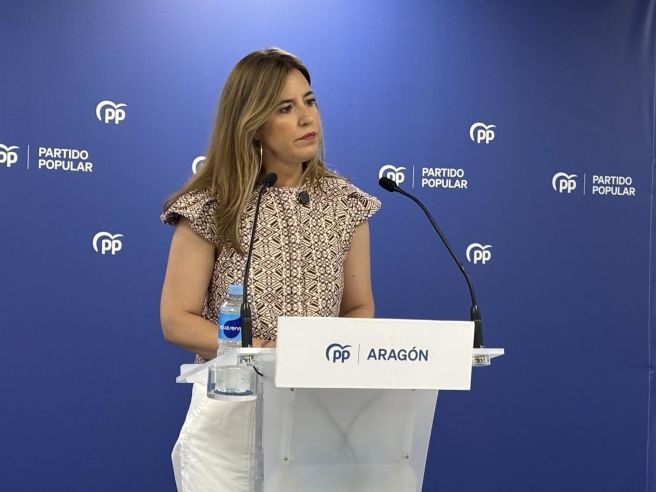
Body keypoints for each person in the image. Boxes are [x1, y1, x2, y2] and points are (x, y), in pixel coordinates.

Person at [159, 48, 381, 490]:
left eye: (309, 101)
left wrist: (321, 354)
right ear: (253, 123)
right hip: (229, 423)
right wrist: (267, 351)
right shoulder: (212, 204)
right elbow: (176, 320)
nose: (306, 117)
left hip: (317, 415)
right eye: (285, 108)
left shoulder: (346, 204)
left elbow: (359, 308)